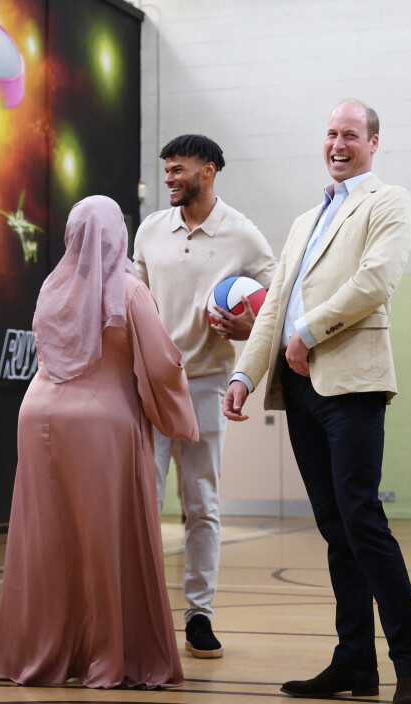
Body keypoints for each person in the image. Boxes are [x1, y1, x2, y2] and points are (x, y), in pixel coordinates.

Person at [223, 100, 411, 704]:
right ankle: (354, 662)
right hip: (301, 393)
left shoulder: (389, 202)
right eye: (331, 134)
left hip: (354, 386)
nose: (338, 143)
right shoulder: (304, 220)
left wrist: (308, 332)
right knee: (336, 530)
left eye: (350, 135)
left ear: (373, 143)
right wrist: (243, 374)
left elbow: (375, 282)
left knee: (363, 520)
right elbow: (272, 307)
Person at [0, 195, 199, 689]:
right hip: (100, 425)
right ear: (118, 236)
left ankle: (42, 651)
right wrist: (182, 418)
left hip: (38, 416)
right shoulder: (128, 289)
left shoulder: (53, 286)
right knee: (105, 538)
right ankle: (105, 655)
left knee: (47, 539)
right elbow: (163, 364)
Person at [134, 134, 277, 658]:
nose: (170, 177)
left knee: (202, 505)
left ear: (209, 170)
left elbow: (278, 299)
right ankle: (141, 612)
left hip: (207, 384)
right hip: (149, 384)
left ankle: (199, 616)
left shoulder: (242, 234)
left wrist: (249, 324)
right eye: (166, 170)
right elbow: (135, 302)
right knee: (142, 505)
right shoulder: (150, 231)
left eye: (178, 169)